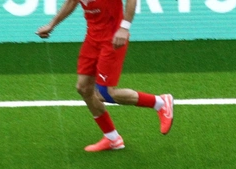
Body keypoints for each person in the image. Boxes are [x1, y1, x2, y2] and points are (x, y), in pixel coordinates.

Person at [36, 0, 174, 152]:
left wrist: (124, 28)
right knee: (83, 88)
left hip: (113, 38)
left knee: (105, 93)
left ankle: (160, 103)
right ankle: (112, 138)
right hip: (92, 37)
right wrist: (52, 24)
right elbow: (71, 2)